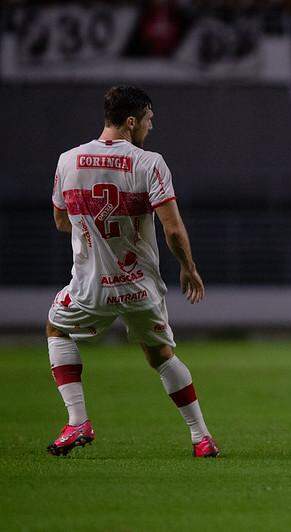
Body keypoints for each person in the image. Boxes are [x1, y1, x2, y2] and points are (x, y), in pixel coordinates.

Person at [47, 86, 219, 457]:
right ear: (131, 121)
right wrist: (188, 267)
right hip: (139, 286)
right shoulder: (148, 163)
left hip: (90, 286)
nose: (150, 127)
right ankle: (201, 437)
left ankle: (78, 421)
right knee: (161, 355)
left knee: (56, 327)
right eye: (148, 120)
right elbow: (172, 228)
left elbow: (62, 220)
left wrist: (90, 227)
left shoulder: (68, 160)